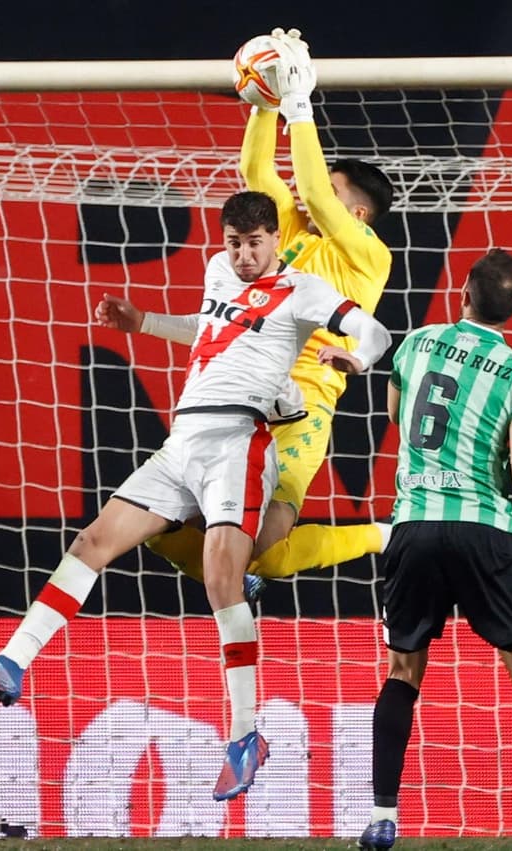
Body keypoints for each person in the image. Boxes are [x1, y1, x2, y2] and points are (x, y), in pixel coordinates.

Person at [0, 191, 391, 802]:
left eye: (254, 243)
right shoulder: (216, 271)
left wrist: (357, 357)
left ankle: (245, 734)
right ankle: (13, 663)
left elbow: (375, 329)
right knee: (93, 541)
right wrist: (143, 322)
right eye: (234, 242)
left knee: (223, 585)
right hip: (183, 440)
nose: (243, 255)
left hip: (240, 441)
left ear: (273, 240)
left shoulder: (304, 289)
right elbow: (207, 326)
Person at [142, 27, 398, 592]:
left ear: (354, 211)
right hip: (239, 392)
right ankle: (237, 572)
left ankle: (383, 534)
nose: (312, 197)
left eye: (330, 192)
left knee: (266, 552)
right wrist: (263, 106)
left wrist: (299, 104)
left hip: (302, 411)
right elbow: (259, 175)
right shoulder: (292, 230)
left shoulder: (366, 254)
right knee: (157, 525)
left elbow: (307, 180)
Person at [357, 249, 512, 851]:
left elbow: (399, 418)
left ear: (464, 294)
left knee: (402, 669)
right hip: (485, 530)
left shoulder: (419, 343)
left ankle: (382, 821)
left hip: (415, 524)